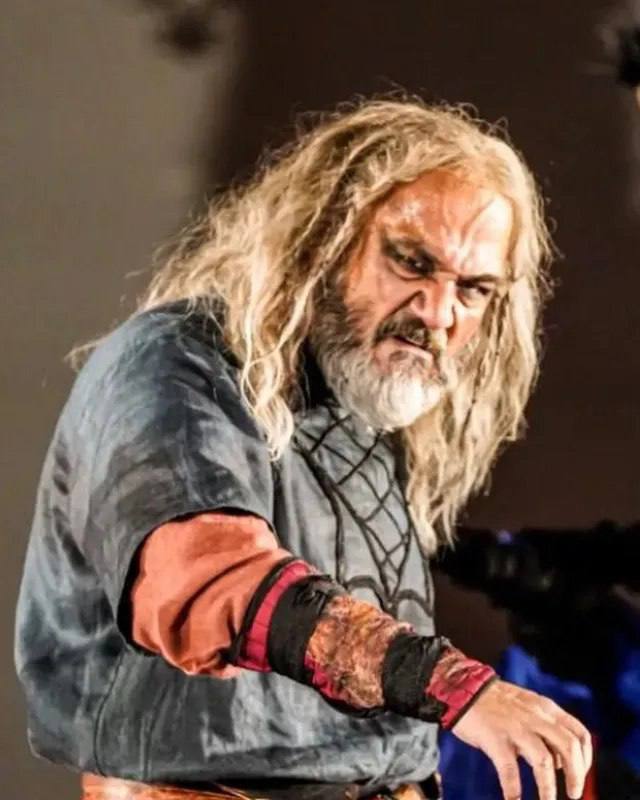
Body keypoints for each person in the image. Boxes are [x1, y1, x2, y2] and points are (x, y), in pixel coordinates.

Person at [15, 98, 592, 800]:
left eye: (472, 290)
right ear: (325, 235)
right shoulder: (174, 364)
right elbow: (207, 585)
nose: (438, 314)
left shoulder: (358, 409)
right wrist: (451, 687)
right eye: (411, 262)